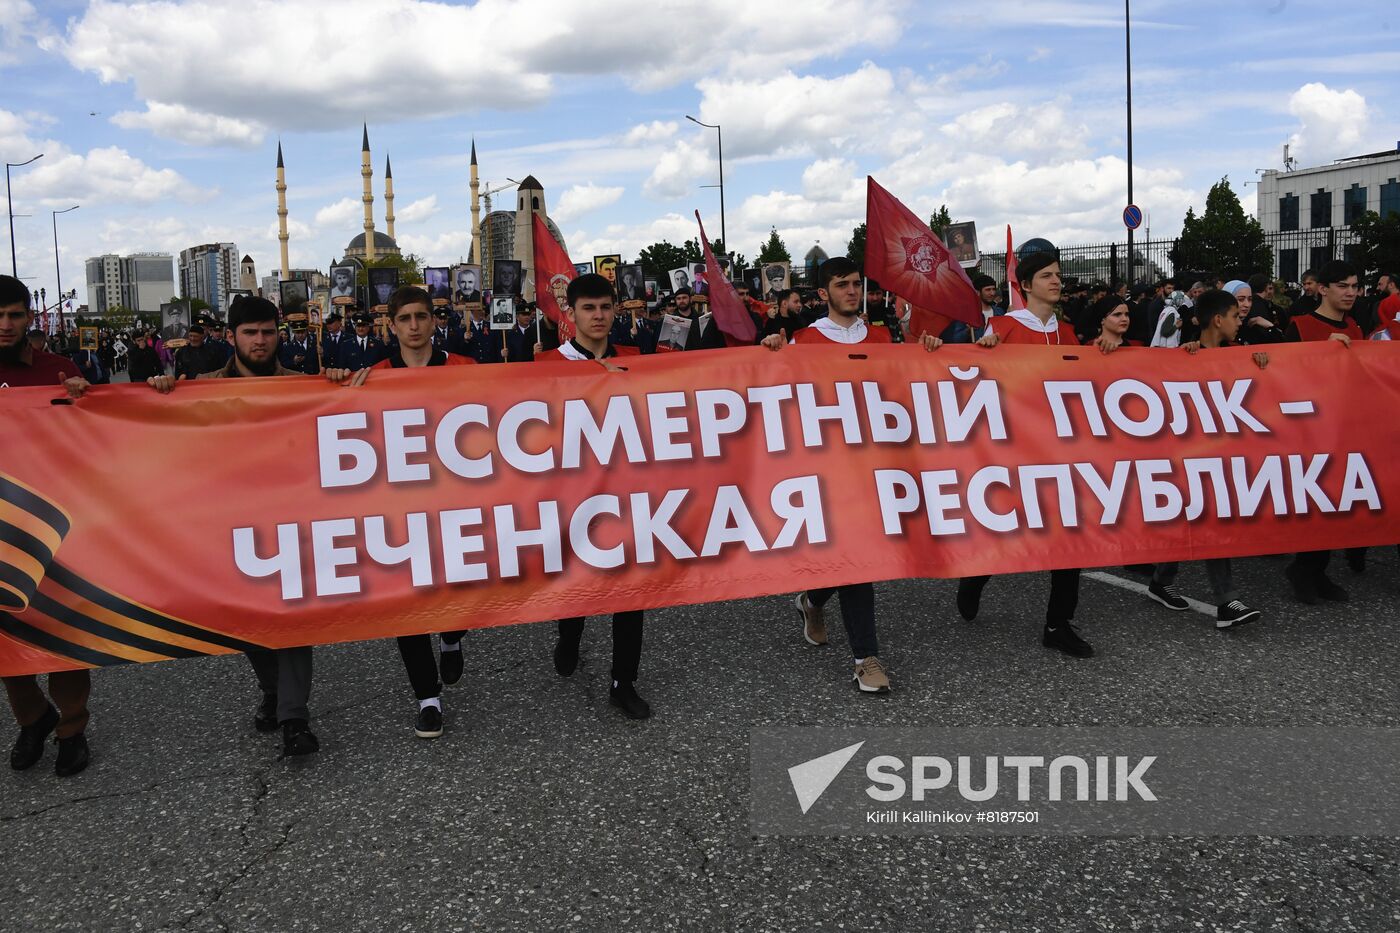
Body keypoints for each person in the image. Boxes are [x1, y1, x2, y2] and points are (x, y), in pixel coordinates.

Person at [146, 296, 320, 757]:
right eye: (250, 333)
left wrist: (342, 385)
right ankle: (271, 691)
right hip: (232, 523)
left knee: (294, 617)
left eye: (267, 331)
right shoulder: (200, 387)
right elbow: (166, 441)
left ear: (278, 334)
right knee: (250, 621)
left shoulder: (306, 386)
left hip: (292, 520)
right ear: (232, 336)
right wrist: (160, 394)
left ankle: (294, 717)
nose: (260, 341)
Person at [759, 256, 943, 694]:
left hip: (876, 462)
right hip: (828, 465)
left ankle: (813, 599)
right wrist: (766, 354)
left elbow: (906, 381)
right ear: (823, 294)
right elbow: (776, 392)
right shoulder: (803, 341)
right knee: (860, 555)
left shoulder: (882, 336)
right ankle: (865, 658)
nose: (852, 291)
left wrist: (932, 352)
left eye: (857, 284)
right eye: (842, 285)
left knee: (858, 556)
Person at [324, 287, 475, 738]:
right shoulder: (372, 376)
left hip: (456, 499)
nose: (413, 325)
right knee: (405, 602)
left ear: (434, 322)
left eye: (421, 317)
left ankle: (451, 636)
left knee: (456, 590)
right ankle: (427, 698)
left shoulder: (464, 369)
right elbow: (336, 416)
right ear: (392, 325)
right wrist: (333, 380)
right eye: (404, 318)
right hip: (399, 506)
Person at [961, 240, 1121, 659]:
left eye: (1058, 275)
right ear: (1026, 285)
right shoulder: (1005, 328)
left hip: (1063, 454)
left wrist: (1104, 353)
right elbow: (970, 382)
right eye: (1047, 276)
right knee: (1009, 531)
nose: (1057, 281)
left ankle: (1058, 624)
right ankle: (977, 574)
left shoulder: (1067, 333)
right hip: (1015, 453)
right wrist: (985, 352)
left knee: (1070, 539)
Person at [532, 273, 650, 719]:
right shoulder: (545, 364)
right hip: (571, 494)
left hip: (627, 492)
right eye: (589, 308)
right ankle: (570, 634)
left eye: (605, 307)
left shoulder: (640, 360)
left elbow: (708, 375)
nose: (598, 316)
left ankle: (624, 682)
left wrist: (770, 348)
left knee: (632, 592)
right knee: (579, 584)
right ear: (572, 313)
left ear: (615, 309)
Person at [0, 275, 94, 777]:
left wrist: (84, 403)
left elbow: (99, 439)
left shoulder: (59, 370)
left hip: (52, 524)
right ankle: (33, 718)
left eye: (15, 315)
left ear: (30, 318)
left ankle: (71, 730)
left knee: (61, 629)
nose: (6, 325)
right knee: (5, 634)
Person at [1146, 289, 1269, 629]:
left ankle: (1161, 581)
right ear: (1218, 320)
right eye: (1235, 316)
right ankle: (1225, 600)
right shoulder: (1183, 354)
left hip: (1219, 457)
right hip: (1186, 456)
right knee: (1206, 521)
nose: (1239, 321)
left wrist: (1262, 362)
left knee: (1203, 520)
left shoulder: (1238, 357)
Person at [1281, 259, 1362, 604]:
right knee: (1313, 504)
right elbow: (1280, 377)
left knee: (1336, 505)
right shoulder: (1299, 326)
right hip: (1307, 431)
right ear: (1323, 289)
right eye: (1343, 285)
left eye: (1355, 286)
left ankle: (1317, 570)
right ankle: (1304, 569)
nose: (1351, 293)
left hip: (1344, 428)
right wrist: (1321, 354)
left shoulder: (1357, 328)